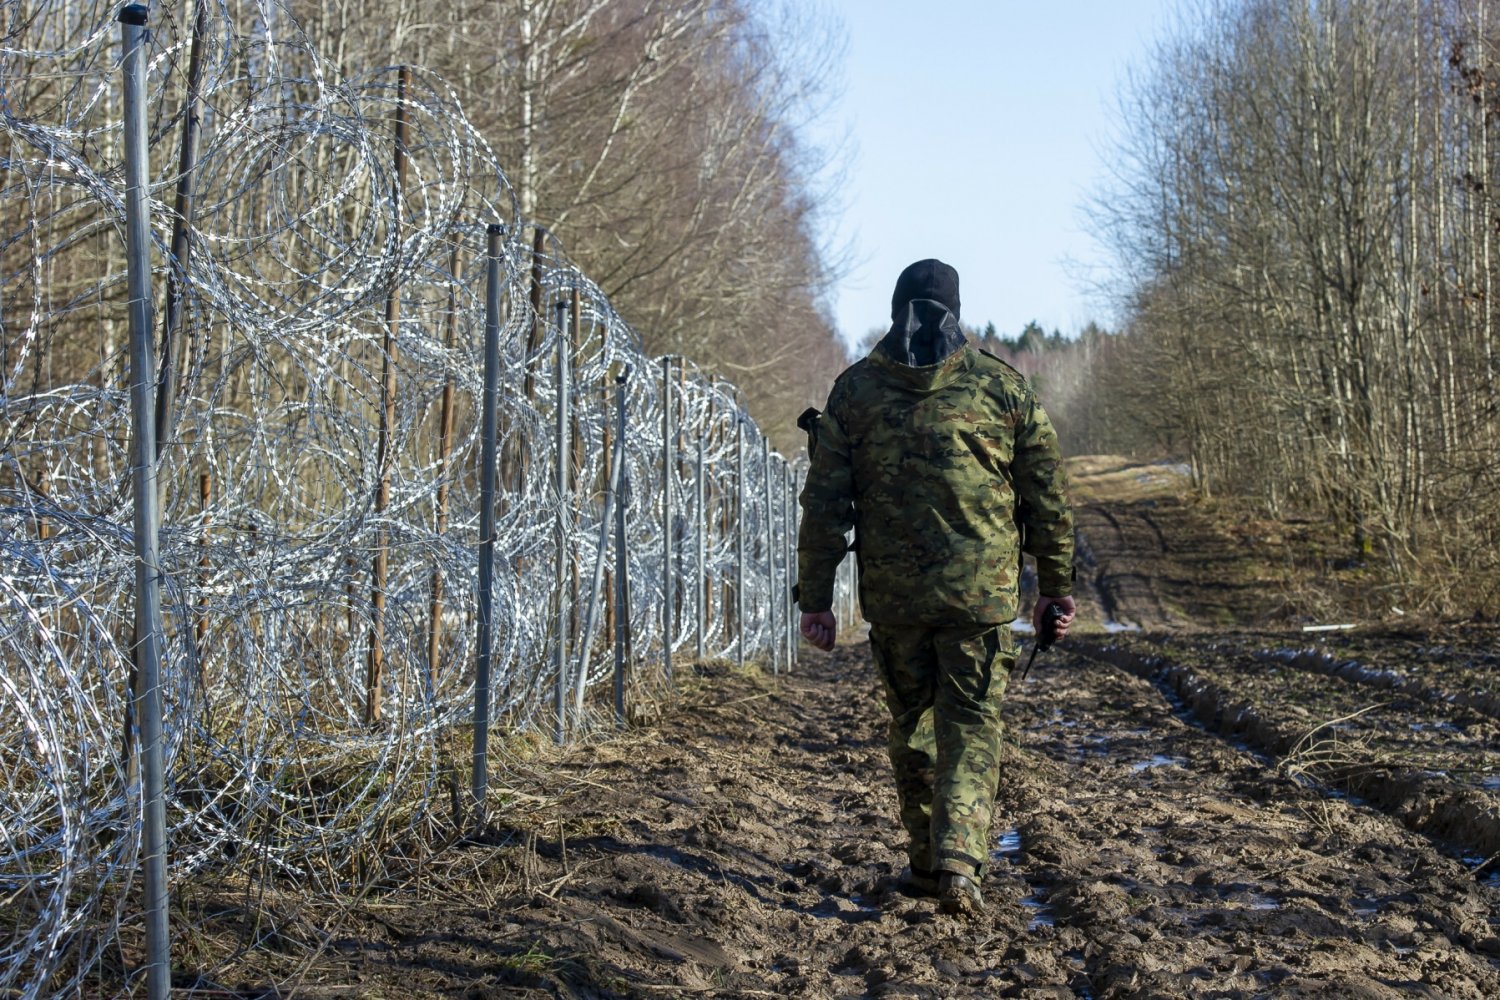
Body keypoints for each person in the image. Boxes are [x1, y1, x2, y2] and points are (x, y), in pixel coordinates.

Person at [796, 259, 1075, 916]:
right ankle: (959, 861)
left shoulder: (855, 393)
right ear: (957, 310)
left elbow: (825, 505)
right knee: (972, 725)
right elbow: (1050, 500)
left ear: (898, 310)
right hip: (981, 598)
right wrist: (1054, 588)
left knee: (914, 724)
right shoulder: (1004, 390)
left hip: (895, 601)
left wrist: (816, 600)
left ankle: (926, 864)